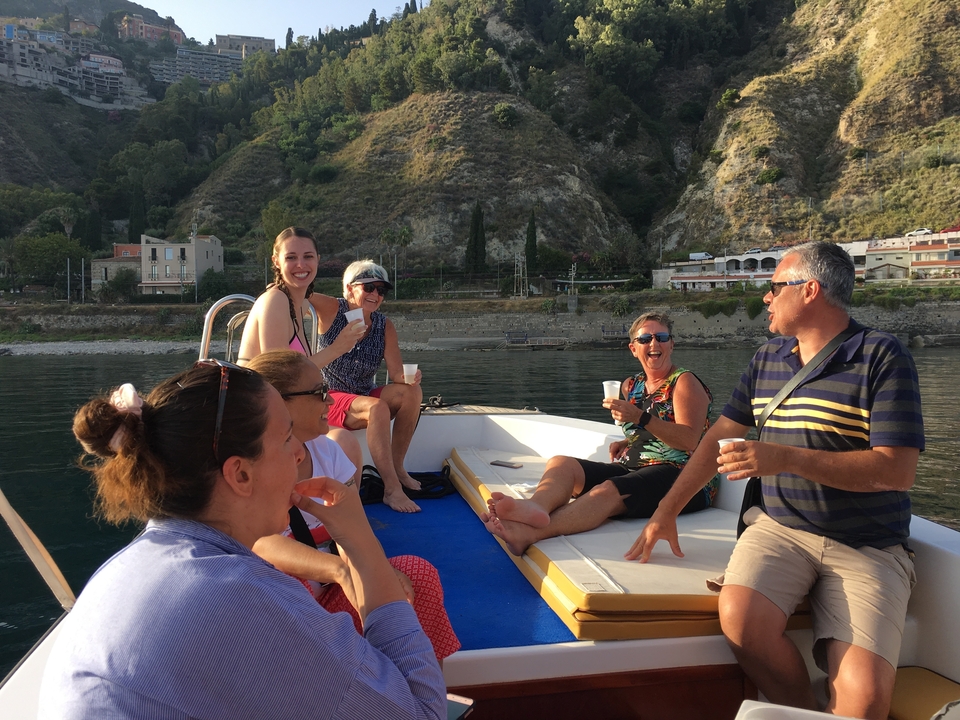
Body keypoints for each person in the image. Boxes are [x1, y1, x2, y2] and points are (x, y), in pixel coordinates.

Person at [40, 362, 445, 719]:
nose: (300, 457)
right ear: (240, 475)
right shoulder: (233, 598)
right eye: (287, 440)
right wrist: (361, 541)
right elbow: (423, 714)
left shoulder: (133, 564)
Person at [628, 242, 924, 720]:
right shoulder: (768, 358)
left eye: (773, 287)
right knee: (741, 621)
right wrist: (666, 510)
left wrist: (784, 458)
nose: (765, 298)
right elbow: (717, 436)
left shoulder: (880, 357)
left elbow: (896, 470)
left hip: (867, 543)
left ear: (810, 291)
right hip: (780, 528)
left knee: (865, 700)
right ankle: (801, 711)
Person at [247, 350, 460, 662]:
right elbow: (260, 544)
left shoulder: (328, 454)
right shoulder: (250, 466)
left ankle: (426, 702)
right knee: (289, 590)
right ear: (278, 401)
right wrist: (339, 572)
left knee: (418, 576)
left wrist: (380, 574)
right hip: (284, 606)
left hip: (334, 591)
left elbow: (355, 532)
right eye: (320, 393)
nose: (331, 402)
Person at [482, 312, 717, 556]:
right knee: (562, 464)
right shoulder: (631, 385)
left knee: (607, 490)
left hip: (686, 477)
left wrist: (638, 417)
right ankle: (536, 507)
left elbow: (689, 439)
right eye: (645, 339)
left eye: (661, 337)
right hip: (637, 467)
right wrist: (629, 439)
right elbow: (658, 427)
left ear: (671, 344)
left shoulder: (684, 381)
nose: (653, 344)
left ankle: (531, 533)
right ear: (633, 349)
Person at [237, 226, 366, 480]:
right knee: (343, 442)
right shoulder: (275, 301)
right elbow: (280, 379)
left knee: (346, 444)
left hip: (283, 415)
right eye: (291, 257)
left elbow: (298, 373)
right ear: (276, 261)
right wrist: (338, 347)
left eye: (308, 256)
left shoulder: (300, 304)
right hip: (259, 419)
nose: (300, 264)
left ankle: (337, 518)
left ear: (318, 259)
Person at [309, 260, 423, 514]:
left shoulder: (384, 325)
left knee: (412, 392)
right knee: (376, 408)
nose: (375, 295)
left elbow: (395, 374)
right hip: (329, 396)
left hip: (362, 393)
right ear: (349, 289)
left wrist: (410, 379)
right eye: (368, 287)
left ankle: (398, 468)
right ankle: (392, 489)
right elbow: (299, 292)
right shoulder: (331, 309)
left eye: (381, 290)